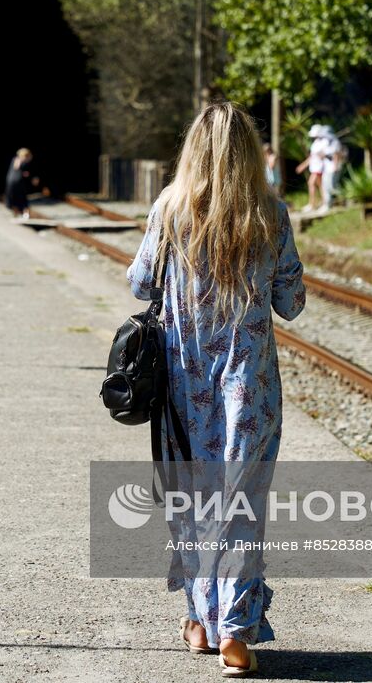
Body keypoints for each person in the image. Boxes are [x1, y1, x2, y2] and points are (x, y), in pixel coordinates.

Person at [127, 103, 305, 676]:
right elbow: (291, 303)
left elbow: (139, 282)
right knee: (241, 504)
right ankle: (233, 628)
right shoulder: (270, 215)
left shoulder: (170, 208)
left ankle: (201, 622)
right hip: (248, 390)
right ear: (251, 153)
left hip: (183, 385)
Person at [293, 123, 338, 214]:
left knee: (312, 183)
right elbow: (312, 157)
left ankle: (314, 204)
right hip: (315, 168)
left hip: (320, 168)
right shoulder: (316, 143)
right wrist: (303, 165)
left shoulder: (324, 142)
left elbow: (327, 154)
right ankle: (323, 202)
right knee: (321, 186)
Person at [4, 148, 37, 219]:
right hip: (19, 182)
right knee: (23, 198)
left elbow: (16, 168)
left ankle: (15, 215)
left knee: (13, 198)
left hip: (10, 181)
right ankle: (25, 215)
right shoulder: (24, 162)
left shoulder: (14, 159)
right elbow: (24, 172)